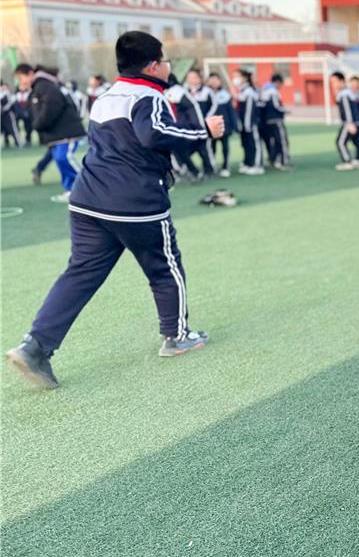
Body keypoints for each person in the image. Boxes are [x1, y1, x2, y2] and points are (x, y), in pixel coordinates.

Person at [5, 32, 224, 388]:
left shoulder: (106, 96)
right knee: (165, 268)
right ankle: (177, 336)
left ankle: (35, 346)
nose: (168, 65)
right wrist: (204, 132)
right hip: (135, 203)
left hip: (87, 201)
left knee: (79, 274)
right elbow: (153, 135)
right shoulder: (148, 96)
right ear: (152, 66)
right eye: (164, 59)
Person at [15, 64, 87, 203]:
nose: (20, 82)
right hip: (55, 135)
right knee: (60, 161)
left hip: (66, 131)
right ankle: (71, 190)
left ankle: (90, 185)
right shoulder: (37, 87)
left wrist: (39, 124)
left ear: (30, 74)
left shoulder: (44, 85)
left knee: (64, 158)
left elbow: (52, 106)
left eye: (21, 78)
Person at [174, 68, 218, 180]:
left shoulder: (207, 91)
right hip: (189, 126)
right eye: (189, 77)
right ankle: (188, 169)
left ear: (200, 78)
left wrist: (206, 120)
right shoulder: (183, 91)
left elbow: (214, 106)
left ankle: (209, 169)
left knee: (205, 148)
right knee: (185, 149)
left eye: (194, 77)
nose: (192, 80)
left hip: (203, 125)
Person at [330, 71, 359, 171]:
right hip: (356, 121)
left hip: (350, 123)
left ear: (341, 81)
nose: (333, 84)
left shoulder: (344, 94)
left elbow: (347, 109)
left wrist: (349, 123)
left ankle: (347, 161)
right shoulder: (348, 92)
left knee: (340, 142)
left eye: (335, 81)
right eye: (332, 82)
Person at [232, 69, 264, 175]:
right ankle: (249, 163)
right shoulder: (241, 91)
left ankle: (258, 165)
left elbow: (250, 110)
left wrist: (247, 124)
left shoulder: (249, 91)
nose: (235, 79)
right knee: (246, 144)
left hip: (251, 123)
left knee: (254, 144)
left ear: (245, 78)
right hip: (243, 124)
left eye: (237, 76)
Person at [205, 72, 236, 176]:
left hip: (224, 126)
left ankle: (225, 167)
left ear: (220, 81)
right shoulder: (206, 94)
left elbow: (231, 112)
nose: (213, 82)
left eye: (216, 80)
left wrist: (233, 125)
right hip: (210, 126)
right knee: (211, 148)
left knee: (225, 148)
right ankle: (211, 167)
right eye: (211, 80)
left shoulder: (225, 95)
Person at [259, 73, 291, 169]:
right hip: (276, 119)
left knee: (274, 141)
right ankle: (284, 161)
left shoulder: (264, 89)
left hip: (267, 121)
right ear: (277, 82)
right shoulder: (273, 92)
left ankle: (272, 159)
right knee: (282, 140)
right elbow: (276, 106)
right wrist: (285, 111)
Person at [1, 80, 24, 147]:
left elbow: (10, 103)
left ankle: (18, 143)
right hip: (1, 115)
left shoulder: (7, 94)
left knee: (13, 129)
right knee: (3, 130)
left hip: (8, 114)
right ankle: (6, 142)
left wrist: (4, 109)